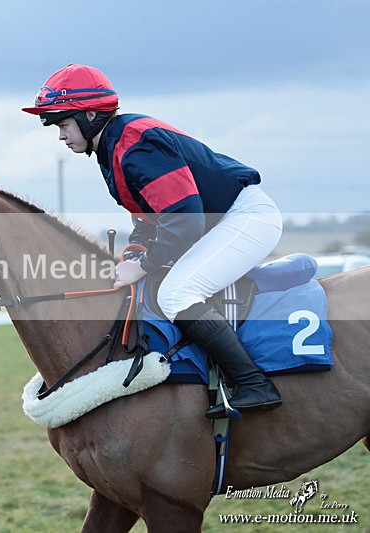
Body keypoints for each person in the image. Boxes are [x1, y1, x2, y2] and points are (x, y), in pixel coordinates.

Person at [22, 64, 283, 419]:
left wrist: (143, 265)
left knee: (176, 294)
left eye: (63, 124)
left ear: (90, 115)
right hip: (218, 222)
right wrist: (137, 252)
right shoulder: (113, 147)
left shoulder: (135, 143)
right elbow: (150, 216)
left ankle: (254, 384)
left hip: (244, 219)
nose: (61, 136)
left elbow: (184, 218)